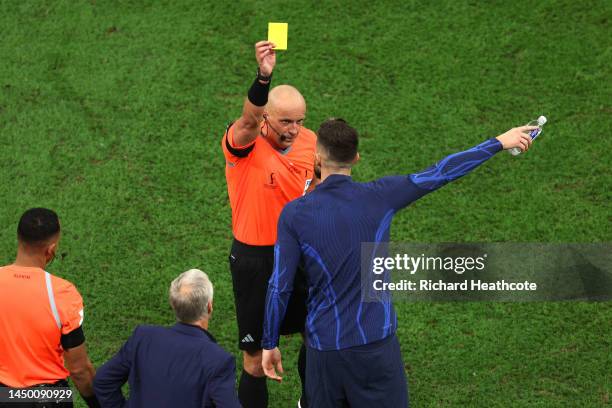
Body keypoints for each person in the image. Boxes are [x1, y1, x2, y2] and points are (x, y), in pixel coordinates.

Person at [262, 119, 536, 407]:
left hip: (325, 351)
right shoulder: (381, 195)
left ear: (316, 157)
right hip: (376, 348)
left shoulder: (294, 214)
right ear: (356, 157)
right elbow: (440, 173)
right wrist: (498, 142)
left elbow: (279, 285)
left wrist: (269, 343)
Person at [221, 41, 317, 407]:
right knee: (254, 358)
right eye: (285, 121)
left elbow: (322, 186)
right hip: (255, 260)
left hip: (301, 254)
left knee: (315, 336)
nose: (294, 130)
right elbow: (246, 119)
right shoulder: (243, 142)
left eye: (300, 121)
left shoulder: (311, 143)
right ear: (265, 119)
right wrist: (264, 76)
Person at [93, 269, 240, 408]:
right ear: (209, 307)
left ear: (173, 304)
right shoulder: (218, 360)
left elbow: (103, 381)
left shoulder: (143, 337)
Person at [0, 208, 99, 408]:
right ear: (51, 249)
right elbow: (79, 370)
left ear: (19, 240)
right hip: (47, 398)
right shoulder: (62, 293)